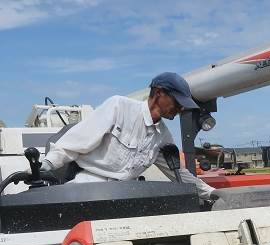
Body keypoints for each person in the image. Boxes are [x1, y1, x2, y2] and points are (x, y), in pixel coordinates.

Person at [41, 72, 215, 199]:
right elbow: (75, 142)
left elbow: (179, 174)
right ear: (159, 93)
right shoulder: (119, 108)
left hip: (124, 195)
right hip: (87, 187)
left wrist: (211, 193)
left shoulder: (162, 137)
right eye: (177, 102)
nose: (180, 109)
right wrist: (47, 164)